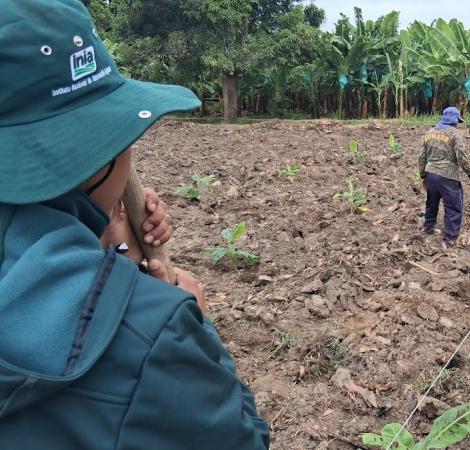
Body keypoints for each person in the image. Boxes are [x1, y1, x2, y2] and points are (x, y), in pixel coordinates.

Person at [0, 1, 270, 449]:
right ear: (98, 155)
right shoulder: (155, 334)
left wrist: (105, 247)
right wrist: (194, 326)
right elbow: (244, 440)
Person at [419, 107, 470, 245]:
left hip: (431, 173)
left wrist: (423, 176)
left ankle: (428, 228)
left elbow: (421, 157)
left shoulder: (430, 132)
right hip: (447, 174)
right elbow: (461, 155)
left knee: (431, 203)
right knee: (454, 206)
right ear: (455, 121)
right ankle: (450, 238)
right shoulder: (455, 134)